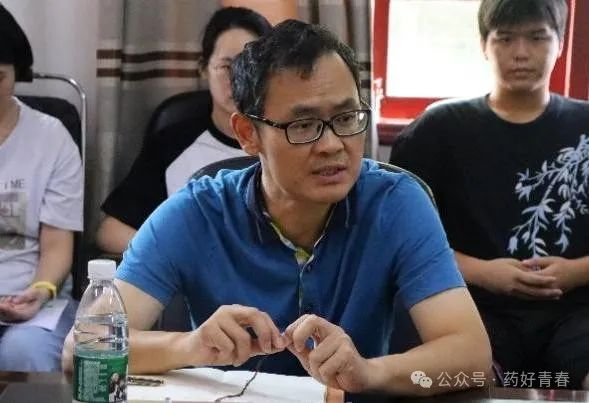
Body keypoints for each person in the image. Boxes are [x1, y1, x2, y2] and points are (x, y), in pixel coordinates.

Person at [63, 20, 491, 397]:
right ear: (248, 134)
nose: (333, 145)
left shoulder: (396, 203)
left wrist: (368, 372)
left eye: (346, 119)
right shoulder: (196, 212)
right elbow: (82, 348)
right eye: (304, 125)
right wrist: (192, 346)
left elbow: (472, 357)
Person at [389, 0, 589, 390]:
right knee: (457, 381)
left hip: (578, 310)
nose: (521, 53)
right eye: (505, 38)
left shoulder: (583, 126)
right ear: (484, 44)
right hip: (471, 309)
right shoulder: (438, 130)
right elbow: (400, 241)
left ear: (560, 43)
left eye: (537, 38)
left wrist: (576, 271)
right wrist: (484, 273)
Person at [96, 7, 272, 254]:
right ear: (203, 69)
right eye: (227, 66)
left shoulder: (286, 138)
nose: (239, 79)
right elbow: (111, 231)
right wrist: (176, 254)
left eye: (250, 66)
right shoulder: (173, 143)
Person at [0, 4, 83, 371]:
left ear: (17, 73)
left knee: (24, 353)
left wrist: (41, 289)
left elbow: (56, 245)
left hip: (34, 302)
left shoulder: (51, 138)